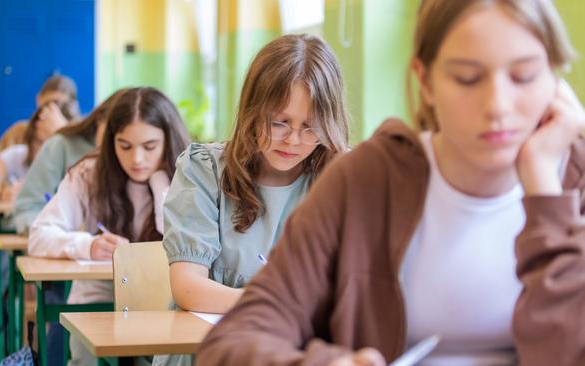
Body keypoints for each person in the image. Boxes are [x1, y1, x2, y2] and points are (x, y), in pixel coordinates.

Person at [196, 1, 585, 365]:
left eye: (524, 75)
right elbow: (233, 340)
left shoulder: (574, 177)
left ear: (554, 79)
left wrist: (544, 192)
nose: (498, 105)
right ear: (426, 83)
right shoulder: (369, 179)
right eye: (467, 79)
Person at [155, 33, 350, 366]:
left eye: (311, 127)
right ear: (251, 108)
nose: (294, 140)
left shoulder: (341, 175)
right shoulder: (204, 170)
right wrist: (278, 303)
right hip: (208, 350)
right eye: (279, 122)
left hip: (296, 350)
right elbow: (188, 288)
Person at [28, 87, 191, 366]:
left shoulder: (187, 176)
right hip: (99, 295)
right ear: (110, 141)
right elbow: (39, 235)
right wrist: (88, 245)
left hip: (165, 296)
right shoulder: (89, 174)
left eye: (149, 146)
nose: (136, 159)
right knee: (86, 351)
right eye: (124, 145)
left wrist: (160, 183)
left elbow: (183, 239)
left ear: (169, 140)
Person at [13, 88, 127, 234]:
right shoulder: (61, 145)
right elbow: (27, 208)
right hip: (65, 248)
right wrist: (64, 236)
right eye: (110, 133)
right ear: (99, 120)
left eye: (125, 144)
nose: (113, 145)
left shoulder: (139, 161)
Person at [0, 100, 74, 204]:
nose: (42, 152)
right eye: (38, 142)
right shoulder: (16, 155)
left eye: (50, 144)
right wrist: (5, 193)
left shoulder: (73, 164)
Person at [0, 74, 80, 170]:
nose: (52, 112)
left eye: (61, 106)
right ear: (38, 99)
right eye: (48, 104)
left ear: (74, 107)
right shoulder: (18, 133)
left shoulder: (79, 139)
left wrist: (61, 133)